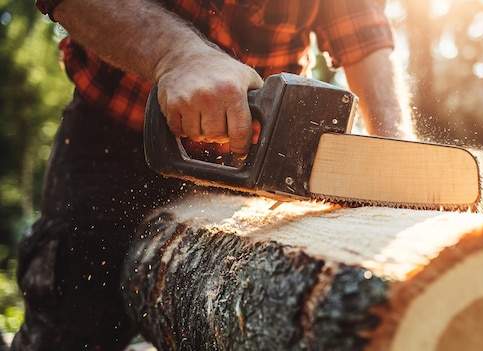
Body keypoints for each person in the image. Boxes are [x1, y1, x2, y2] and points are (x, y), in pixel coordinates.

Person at [12, 0, 414, 349]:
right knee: (72, 322)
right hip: (114, 139)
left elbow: (361, 31)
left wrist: (396, 155)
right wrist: (177, 56)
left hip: (263, 162)